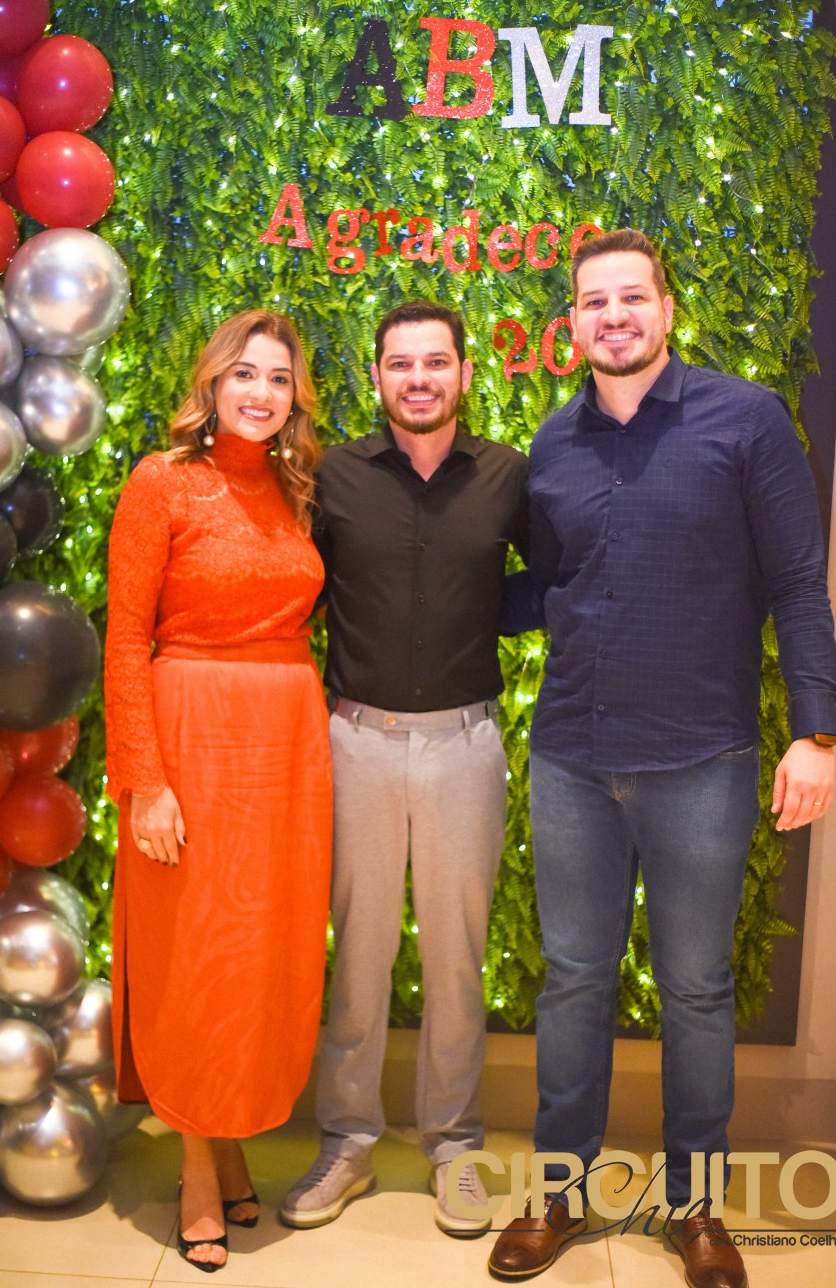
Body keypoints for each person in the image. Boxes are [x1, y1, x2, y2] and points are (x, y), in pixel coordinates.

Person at [488, 230, 836, 1287]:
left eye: (630, 297)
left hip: (703, 757)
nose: (613, 316)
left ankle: (696, 1209)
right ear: (572, 324)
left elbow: (797, 581)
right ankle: (560, 1194)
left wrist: (817, 729)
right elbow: (545, 587)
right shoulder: (553, 443)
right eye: (593, 301)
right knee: (574, 982)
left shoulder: (747, 420)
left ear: (666, 309)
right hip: (572, 755)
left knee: (694, 988)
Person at [278, 300, 529, 1238]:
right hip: (356, 744)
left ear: (463, 371)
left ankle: (454, 1145)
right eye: (400, 363)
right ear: (376, 375)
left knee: (458, 958)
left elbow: (552, 578)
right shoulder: (333, 475)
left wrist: (477, 614)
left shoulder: (507, 475)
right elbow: (296, 590)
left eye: (435, 362)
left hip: (465, 745)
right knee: (359, 953)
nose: (418, 378)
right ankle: (346, 1142)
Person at [104, 310, 332, 1273]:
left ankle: (229, 1139)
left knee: (257, 951)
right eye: (244, 374)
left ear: (294, 399)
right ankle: (197, 1166)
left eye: (278, 379)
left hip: (285, 747)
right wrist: (145, 782)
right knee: (194, 952)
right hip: (191, 734)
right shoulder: (161, 481)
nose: (260, 393)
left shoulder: (296, 486)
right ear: (212, 383)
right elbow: (125, 636)